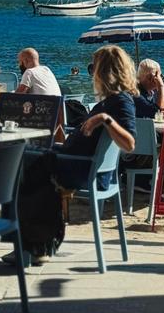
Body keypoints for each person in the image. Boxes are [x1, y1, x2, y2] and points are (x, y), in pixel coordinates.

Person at [12, 45, 137, 264]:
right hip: (74, 161)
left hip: (80, 168)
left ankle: (35, 245)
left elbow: (129, 143)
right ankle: (38, 243)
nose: (92, 73)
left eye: (93, 67)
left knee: (21, 162)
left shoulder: (120, 102)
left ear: (104, 71)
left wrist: (105, 119)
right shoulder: (112, 100)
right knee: (26, 157)